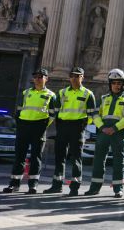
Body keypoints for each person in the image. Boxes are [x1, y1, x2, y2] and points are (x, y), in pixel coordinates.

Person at [2, 68, 57, 194]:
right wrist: (20, 123)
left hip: (39, 127)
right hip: (24, 126)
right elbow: (19, 109)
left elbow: (53, 114)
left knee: (36, 157)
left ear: (46, 79)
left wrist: (44, 125)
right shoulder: (26, 92)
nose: (37, 79)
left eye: (40, 77)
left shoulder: (51, 95)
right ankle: (14, 184)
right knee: (19, 156)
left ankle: (33, 185)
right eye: (36, 77)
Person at [43, 67, 96, 196]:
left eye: (77, 76)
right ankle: (56, 185)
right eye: (72, 75)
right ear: (69, 77)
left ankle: (74, 187)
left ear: (82, 77)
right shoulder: (62, 92)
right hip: (62, 127)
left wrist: (83, 126)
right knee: (59, 157)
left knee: (76, 158)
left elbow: (91, 116)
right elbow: (55, 111)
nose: (74, 78)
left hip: (77, 128)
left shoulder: (88, 94)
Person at [84, 69, 124, 198]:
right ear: (110, 84)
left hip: (118, 133)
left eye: (119, 83)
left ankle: (118, 189)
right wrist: (102, 128)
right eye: (114, 83)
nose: (116, 85)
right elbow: (95, 114)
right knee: (98, 160)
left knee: (119, 161)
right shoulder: (103, 98)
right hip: (103, 133)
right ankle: (94, 188)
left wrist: (114, 128)